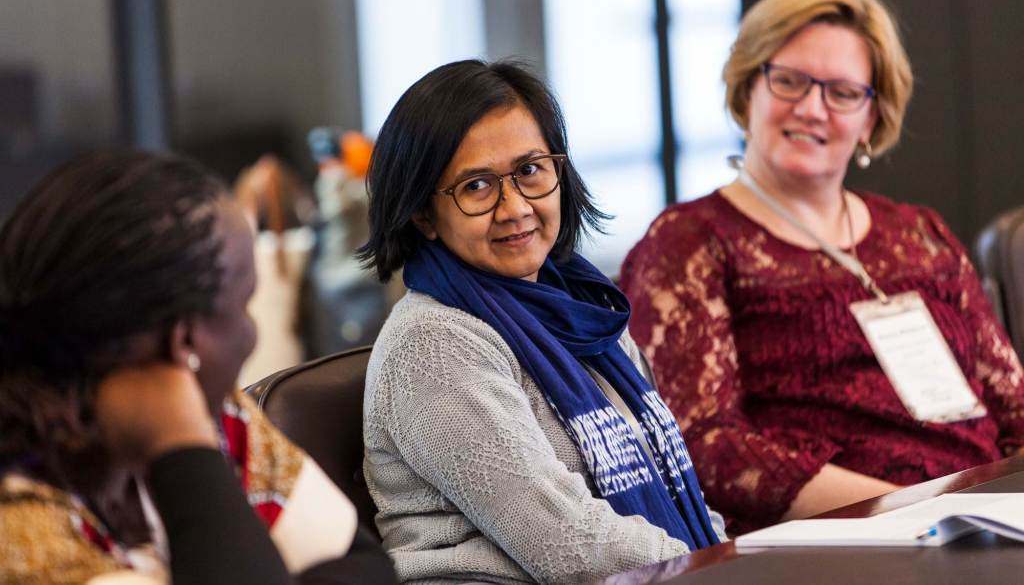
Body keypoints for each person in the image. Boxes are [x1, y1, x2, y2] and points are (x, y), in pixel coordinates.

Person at [620, 0, 1024, 535]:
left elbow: (1014, 407)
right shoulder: (689, 242)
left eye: (841, 93)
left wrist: (989, 510)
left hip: (989, 522)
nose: (812, 109)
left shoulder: (920, 232)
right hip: (845, 540)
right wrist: (915, 510)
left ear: (872, 118)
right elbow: (704, 445)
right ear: (748, 88)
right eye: (790, 81)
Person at [359, 59, 726, 584]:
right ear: (423, 215)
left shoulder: (586, 313)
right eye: (477, 186)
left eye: (530, 170)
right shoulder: (431, 344)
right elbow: (569, 542)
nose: (514, 208)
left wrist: (726, 557)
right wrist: (717, 573)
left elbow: (679, 493)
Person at [0, 150, 397, 584]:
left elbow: (364, 568)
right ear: (183, 341)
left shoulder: (223, 419)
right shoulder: (20, 533)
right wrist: (183, 448)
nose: (252, 334)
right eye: (244, 305)